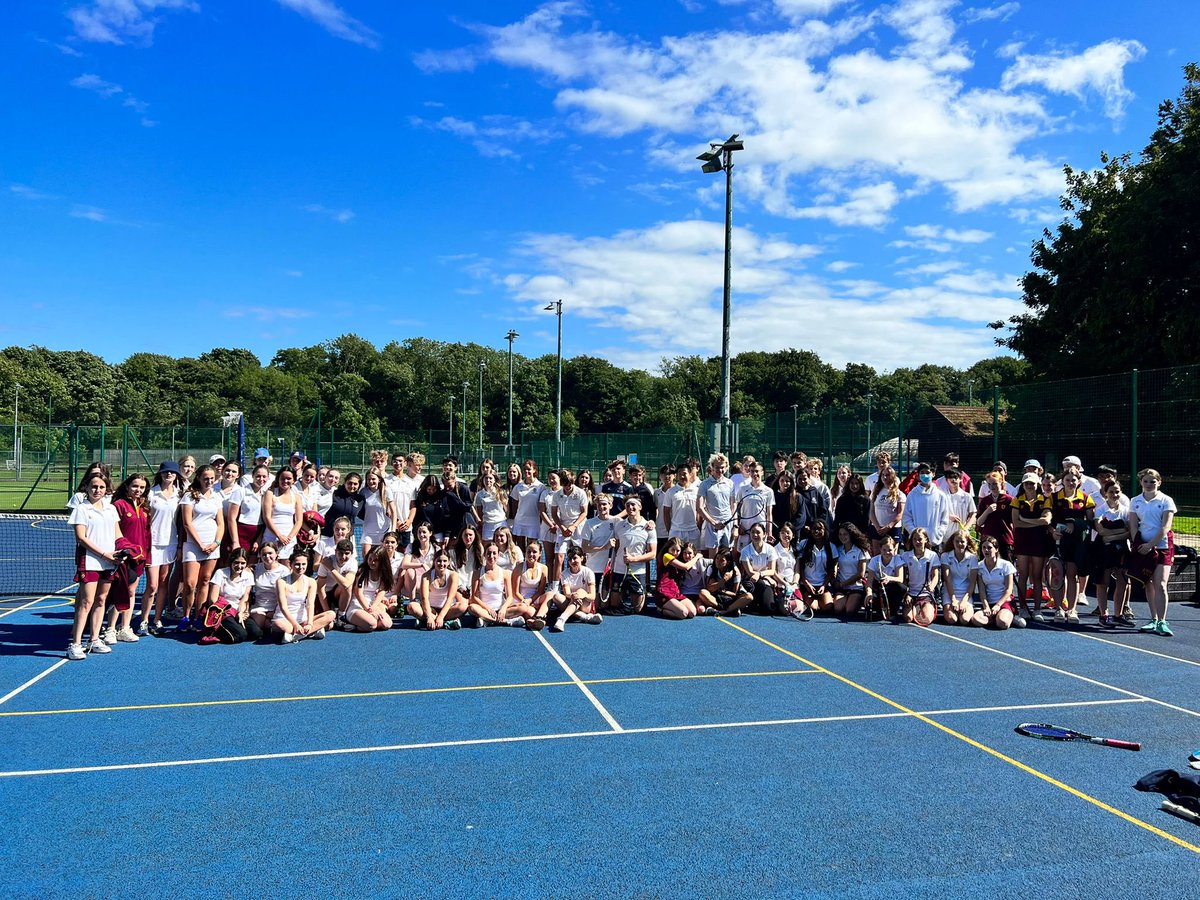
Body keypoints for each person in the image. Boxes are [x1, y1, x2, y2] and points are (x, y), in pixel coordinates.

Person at [66, 470, 122, 659]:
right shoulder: (81, 509)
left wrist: (125, 550)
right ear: (87, 488)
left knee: (101, 600)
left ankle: (95, 639)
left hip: (109, 562)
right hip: (89, 561)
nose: (97, 490)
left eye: (101, 487)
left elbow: (118, 535)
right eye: (94, 487)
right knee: (86, 601)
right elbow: (81, 538)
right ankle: (75, 643)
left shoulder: (111, 509)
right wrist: (104, 554)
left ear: (107, 490)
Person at [1128, 468, 1177, 636]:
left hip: (1162, 547)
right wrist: (1139, 544)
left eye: (1152, 481)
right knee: (1148, 583)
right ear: (1141, 482)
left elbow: (1166, 526)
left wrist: (1151, 544)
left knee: (1160, 584)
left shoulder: (1166, 500)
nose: (1149, 484)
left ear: (1159, 482)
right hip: (1142, 548)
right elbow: (1133, 525)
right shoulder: (1135, 501)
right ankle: (1153, 618)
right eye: (1146, 481)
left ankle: (1162, 621)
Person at [104, 473, 151, 644]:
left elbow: (146, 534)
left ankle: (124, 627)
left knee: (131, 592)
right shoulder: (119, 505)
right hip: (123, 556)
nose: (138, 490)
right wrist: (123, 551)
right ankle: (110, 628)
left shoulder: (145, 507)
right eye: (135, 486)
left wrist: (145, 554)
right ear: (127, 486)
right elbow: (114, 532)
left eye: (142, 487)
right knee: (119, 592)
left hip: (139, 557)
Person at [180, 464, 225, 632]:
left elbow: (221, 523)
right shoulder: (189, 496)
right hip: (193, 545)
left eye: (212, 478)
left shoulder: (217, 497)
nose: (209, 481)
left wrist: (215, 543)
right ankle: (186, 616)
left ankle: (199, 617)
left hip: (212, 546)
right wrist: (200, 544)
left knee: (205, 581)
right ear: (198, 477)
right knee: (190, 584)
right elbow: (187, 523)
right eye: (206, 478)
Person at [140, 460, 182, 636]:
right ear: (160, 473)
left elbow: (181, 522)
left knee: (164, 583)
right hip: (152, 544)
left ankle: (157, 620)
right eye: (165, 472)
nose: (169, 475)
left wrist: (179, 545)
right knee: (153, 585)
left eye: (172, 472)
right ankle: (143, 621)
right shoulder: (150, 494)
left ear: (176, 475)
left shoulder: (180, 495)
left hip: (171, 544)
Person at [1049, 469, 1096, 623]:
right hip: (1058, 541)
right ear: (1062, 481)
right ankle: (1059, 609)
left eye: (1073, 480)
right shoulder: (1053, 498)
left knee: (1072, 575)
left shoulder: (1086, 499)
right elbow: (1047, 521)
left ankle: (1072, 609)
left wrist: (1075, 523)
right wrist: (1052, 531)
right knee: (1058, 575)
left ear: (1079, 482)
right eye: (1067, 480)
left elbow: (1090, 523)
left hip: (1076, 543)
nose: (1070, 483)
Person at [1011, 473, 1052, 622]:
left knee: (1037, 576)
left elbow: (1046, 521)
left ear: (1038, 485)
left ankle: (1037, 609)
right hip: (1022, 542)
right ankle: (1023, 608)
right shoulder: (1017, 501)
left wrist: (1026, 519)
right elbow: (1016, 523)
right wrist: (1036, 521)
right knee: (1023, 575)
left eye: (1032, 483)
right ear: (1023, 485)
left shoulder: (1046, 500)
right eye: (1027, 483)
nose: (1029, 486)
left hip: (1039, 541)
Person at [606, 495, 656, 614]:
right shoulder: (619, 525)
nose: (630, 507)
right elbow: (617, 547)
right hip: (619, 570)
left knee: (638, 608)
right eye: (627, 505)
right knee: (614, 606)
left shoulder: (649, 527)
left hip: (638, 572)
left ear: (640, 507)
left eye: (633, 505)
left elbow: (652, 554)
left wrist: (633, 559)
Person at [1092, 480, 1131, 628]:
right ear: (1106, 493)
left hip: (1121, 551)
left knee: (1122, 582)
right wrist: (1121, 532)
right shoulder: (1100, 510)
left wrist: (1112, 536)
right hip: (1103, 551)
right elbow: (1101, 531)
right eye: (1111, 492)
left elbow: (1130, 533)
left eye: (1117, 492)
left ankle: (1118, 615)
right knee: (1103, 582)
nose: (1114, 495)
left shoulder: (1126, 511)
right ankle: (1104, 615)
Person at [272, 551, 335, 643]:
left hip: (303, 620)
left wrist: (309, 623)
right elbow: (283, 607)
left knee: (331, 614)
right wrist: (296, 625)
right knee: (278, 625)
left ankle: (296, 636)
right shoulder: (281, 582)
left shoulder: (311, 582)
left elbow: (310, 605)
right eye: (297, 564)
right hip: (284, 619)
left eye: (303, 564)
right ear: (290, 564)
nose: (301, 567)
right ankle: (311, 632)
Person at [202, 548, 257, 643]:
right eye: (236, 562)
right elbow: (213, 600)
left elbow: (245, 598)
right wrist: (230, 613)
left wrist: (241, 612)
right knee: (241, 636)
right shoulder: (220, 573)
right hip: (222, 611)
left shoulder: (248, 575)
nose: (239, 566)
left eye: (243, 563)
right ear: (231, 561)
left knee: (256, 633)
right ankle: (215, 631)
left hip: (238, 609)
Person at [546, 546, 602, 631]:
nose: (572, 561)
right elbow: (567, 593)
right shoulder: (564, 574)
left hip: (585, 605)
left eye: (575, 558)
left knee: (580, 591)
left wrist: (582, 595)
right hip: (571, 601)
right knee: (556, 596)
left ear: (582, 558)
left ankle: (562, 619)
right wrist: (573, 596)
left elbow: (592, 596)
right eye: (570, 559)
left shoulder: (589, 572)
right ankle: (586, 617)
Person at [409, 548, 466, 630]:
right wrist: (429, 617)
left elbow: (450, 598)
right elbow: (424, 598)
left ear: (449, 562)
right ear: (434, 561)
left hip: (447, 610)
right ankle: (445, 622)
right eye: (439, 561)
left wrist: (441, 616)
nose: (442, 564)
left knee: (463, 606)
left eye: (445, 561)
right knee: (411, 606)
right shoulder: (426, 576)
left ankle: (428, 622)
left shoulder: (453, 575)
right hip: (430, 609)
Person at [551, 469, 590, 586]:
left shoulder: (581, 493)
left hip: (578, 528)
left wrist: (574, 526)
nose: (568, 487)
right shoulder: (557, 495)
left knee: (580, 557)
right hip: (563, 529)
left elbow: (584, 512)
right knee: (559, 557)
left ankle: (582, 584)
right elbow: (554, 514)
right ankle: (555, 587)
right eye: (565, 485)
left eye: (569, 484)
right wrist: (562, 527)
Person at [469, 542, 520, 627]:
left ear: (498, 555)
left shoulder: (505, 573)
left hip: (502, 611)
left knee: (522, 608)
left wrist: (503, 609)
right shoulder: (477, 573)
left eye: (494, 553)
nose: (491, 556)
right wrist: (488, 609)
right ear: (484, 555)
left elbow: (510, 597)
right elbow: (474, 597)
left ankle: (486, 620)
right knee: (472, 608)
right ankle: (506, 622)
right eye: (488, 553)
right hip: (484, 610)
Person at [971, 536, 1016, 630]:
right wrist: (986, 607)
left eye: (989, 547)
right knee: (975, 620)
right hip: (989, 603)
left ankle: (1007, 616)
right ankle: (994, 618)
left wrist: (998, 605)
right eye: (983, 547)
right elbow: (982, 590)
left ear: (996, 549)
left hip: (1004, 602)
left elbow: (1009, 590)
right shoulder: (979, 566)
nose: (986, 550)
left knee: (1003, 623)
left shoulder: (1006, 565)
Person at [901, 462, 950, 548]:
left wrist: (938, 533)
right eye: (922, 473)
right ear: (918, 475)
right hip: (916, 541)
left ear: (933, 474)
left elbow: (944, 518)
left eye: (927, 472)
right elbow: (907, 517)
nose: (925, 475)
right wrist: (914, 532)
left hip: (934, 540)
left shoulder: (940, 495)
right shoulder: (912, 495)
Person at [897, 528, 940, 626]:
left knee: (926, 619)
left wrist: (932, 586)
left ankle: (923, 606)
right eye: (914, 539)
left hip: (925, 594)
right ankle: (912, 606)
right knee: (908, 618)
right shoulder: (905, 556)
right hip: (910, 594)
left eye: (920, 539)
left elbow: (935, 576)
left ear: (926, 540)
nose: (917, 542)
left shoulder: (933, 555)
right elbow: (903, 579)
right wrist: (906, 594)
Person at [228, 464, 269, 564]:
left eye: (264, 476)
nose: (261, 479)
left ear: (268, 478)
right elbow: (231, 518)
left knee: (252, 566)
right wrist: (235, 541)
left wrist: (259, 539)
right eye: (258, 476)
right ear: (253, 476)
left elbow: (265, 520)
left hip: (257, 534)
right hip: (241, 533)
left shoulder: (266, 494)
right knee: (237, 564)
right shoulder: (240, 492)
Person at [347, 546, 395, 633]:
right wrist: (368, 610)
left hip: (371, 605)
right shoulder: (362, 572)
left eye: (376, 560)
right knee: (372, 624)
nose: (372, 562)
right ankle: (354, 625)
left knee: (386, 624)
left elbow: (381, 592)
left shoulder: (383, 574)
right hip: (357, 605)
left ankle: (363, 623)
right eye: (370, 559)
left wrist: (373, 608)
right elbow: (358, 594)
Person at [697, 453, 734, 559]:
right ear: (712, 467)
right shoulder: (705, 484)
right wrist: (713, 523)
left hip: (728, 524)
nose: (720, 470)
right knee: (713, 559)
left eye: (722, 467)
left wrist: (734, 525)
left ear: (726, 468)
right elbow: (699, 508)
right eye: (717, 467)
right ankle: (712, 576)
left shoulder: (730, 483)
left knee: (727, 557)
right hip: (712, 526)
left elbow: (733, 505)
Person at [248, 541, 288, 637]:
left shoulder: (284, 571)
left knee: (277, 627)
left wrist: (274, 611)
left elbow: (286, 596)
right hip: (259, 608)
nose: (267, 556)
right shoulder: (255, 568)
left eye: (270, 553)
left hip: (277, 608)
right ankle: (268, 625)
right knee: (255, 629)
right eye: (264, 554)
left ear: (276, 553)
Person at [940, 529, 979, 626]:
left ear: (967, 543)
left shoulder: (973, 558)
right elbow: (947, 580)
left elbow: (972, 583)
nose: (959, 544)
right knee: (952, 619)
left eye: (962, 541)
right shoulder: (945, 556)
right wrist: (953, 600)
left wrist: (964, 601)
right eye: (957, 541)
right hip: (950, 592)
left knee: (964, 620)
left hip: (966, 593)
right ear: (952, 542)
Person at [830, 523, 870, 617]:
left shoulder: (861, 551)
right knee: (838, 609)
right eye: (840, 534)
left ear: (851, 535)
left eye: (845, 534)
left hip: (856, 587)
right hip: (842, 588)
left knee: (849, 611)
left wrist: (843, 583)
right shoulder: (838, 549)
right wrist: (835, 581)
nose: (842, 537)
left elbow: (861, 574)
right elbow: (834, 566)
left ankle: (858, 601)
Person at [261, 466, 301, 560]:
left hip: (289, 539)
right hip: (271, 537)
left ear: (294, 480)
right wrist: (279, 536)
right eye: (282, 478)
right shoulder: (270, 494)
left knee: (287, 570)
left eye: (289, 478)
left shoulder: (297, 497)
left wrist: (288, 538)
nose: (285, 481)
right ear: (278, 479)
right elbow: (267, 517)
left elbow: (299, 521)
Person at [864, 534, 905, 622]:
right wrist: (869, 593)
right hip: (878, 587)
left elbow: (900, 578)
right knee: (868, 596)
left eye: (890, 550)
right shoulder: (874, 560)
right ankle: (878, 609)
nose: (887, 552)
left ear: (894, 550)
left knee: (901, 588)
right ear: (880, 549)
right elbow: (869, 581)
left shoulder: (898, 559)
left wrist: (889, 578)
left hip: (892, 587)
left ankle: (894, 611)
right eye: (884, 550)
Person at [740, 523, 779, 614]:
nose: (755, 535)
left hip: (765, 581)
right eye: (752, 532)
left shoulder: (770, 549)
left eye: (758, 532)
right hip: (751, 582)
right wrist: (766, 576)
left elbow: (772, 570)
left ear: (764, 534)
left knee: (769, 608)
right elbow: (750, 573)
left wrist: (760, 574)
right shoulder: (745, 551)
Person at [734, 462, 774, 550]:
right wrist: (738, 526)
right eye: (752, 471)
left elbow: (769, 514)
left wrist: (769, 532)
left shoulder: (768, 491)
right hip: (744, 530)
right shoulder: (743, 489)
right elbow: (736, 510)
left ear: (762, 472)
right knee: (742, 555)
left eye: (757, 471)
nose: (755, 474)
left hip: (760, 531)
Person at [975, 470, 1014, 561]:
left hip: (1004, 540)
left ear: (1001, 482)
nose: (992, 487)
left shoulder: (1009, 500)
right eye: (989, 484)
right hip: (987, 540)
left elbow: (1014, 521)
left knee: (1006, 567)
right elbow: (979, 522)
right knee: (985, 567)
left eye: (994, 483)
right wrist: (987, 511)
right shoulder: (985, 501)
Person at [797, 519, 834, 614]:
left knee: (828, 607)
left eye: (819, 529)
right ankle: (813, 601)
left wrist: (824, 585)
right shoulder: (804, 544)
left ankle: (822, 600)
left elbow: (831, 570)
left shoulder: (831, 546)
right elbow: (799, 566)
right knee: (813, 608)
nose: (816, 531)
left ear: (825, 530)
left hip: (822, 584)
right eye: (814, 529)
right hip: (807, 584)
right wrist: (806, 583)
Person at [511, 540, 549, 630]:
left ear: (540, 554)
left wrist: (531, 601)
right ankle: (537, 618)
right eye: (529, 551)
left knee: (551, 595)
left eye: (534, 552)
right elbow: (515, 592)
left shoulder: (544, 568)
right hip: (521, 599)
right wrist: (526, 602)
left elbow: (540, 591)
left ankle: (538, 617)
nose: (531, 554)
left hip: (535, 599)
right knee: (530, 612)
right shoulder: (519, 567)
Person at [700, 546, 749, 617]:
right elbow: (710, 588)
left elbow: (734, 593)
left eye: (722, 560)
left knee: (749, 597)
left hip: (731, 598)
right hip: (716, 598)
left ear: (728, 562)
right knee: (703, 593)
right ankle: (729, 609)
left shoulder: (736, 572)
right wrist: (723, 580)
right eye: (717, 558)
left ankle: (726, 611)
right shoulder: (711, 568)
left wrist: (722, 591)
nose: (718, 562)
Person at [316, 538, 358, 617]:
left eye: (347, 553)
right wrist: (327, 612)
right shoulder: (327, 561)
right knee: (327, 624)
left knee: (348, 587)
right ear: (335, 552)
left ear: (352, 554)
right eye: (340, 553)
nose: (343, 557)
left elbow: (346, 584)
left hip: (337, 592)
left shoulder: (353, 563)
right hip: (323, 593)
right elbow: (320, 588)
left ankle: (341, 615)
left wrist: (331, 568)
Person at [359, 467, 397, 553]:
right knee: (366, 557)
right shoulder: (363, 492)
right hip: (368, 531)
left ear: (379, 479)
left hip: (383, 531)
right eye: (368, 479)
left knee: (382, 558)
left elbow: (394, 511)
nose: (371, 481)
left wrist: (393, 530)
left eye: (373, 479)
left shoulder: (386, 491)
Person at [868, 466, 905, 555]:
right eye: (883, 475)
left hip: (893, 528)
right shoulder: (875, 491)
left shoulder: (899, 494)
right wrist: (877, 527)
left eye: (887, 475)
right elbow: (871, 511)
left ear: (892, 476)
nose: (884, 477)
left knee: (891, 554)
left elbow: (900, 514)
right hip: (877, 527)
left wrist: (888, 527)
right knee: (876, 553)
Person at [665, 459, 701, 545]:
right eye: (679, 474)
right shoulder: (670, 492)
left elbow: (700, 511)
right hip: (676, 531)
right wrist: (670, 530)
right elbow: (666, 512)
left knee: (693, 557)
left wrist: (698, 527)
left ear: (690, 474)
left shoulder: (697, 491)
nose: (682, 477)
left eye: (684, 474)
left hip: (693, 532)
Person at [398, 522, 437, 601]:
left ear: (430, 533)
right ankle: (412, 599)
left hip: (429, 580)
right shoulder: (411, 546)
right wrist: (422, 565)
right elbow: (404, 564)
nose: (421, 535)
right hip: (413, 582)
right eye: (419, 532)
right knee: (409, 571)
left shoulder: (436, 549)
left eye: (424, 532)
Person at [511, 459, 543, 549]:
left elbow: (542, 507)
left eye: (529, 469)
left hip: (534, 522)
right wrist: (516, 517)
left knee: (533, 548)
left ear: (534, 470)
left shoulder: (541, 487)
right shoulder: (518, 487)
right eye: (524, 469)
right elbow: (514, 505)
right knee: (520, 548)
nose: (526, 471)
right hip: (520, 521)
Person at [471, 469, 508, 540]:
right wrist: (480, 523)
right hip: (487, 525)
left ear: (494, 480)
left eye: (490, 478)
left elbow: (506, 509)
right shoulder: (479, 494)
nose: (488, 480)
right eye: (486, 478)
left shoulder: (501, 492)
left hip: (500, 523)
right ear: (483, 480)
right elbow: (479, 511)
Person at [833, 472, 871, 537]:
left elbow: (867, 520)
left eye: (857, 483)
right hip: (844, 533)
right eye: (852, 483)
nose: (854, 486)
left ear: (861, 485)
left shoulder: (866, 500)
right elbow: (837, 518)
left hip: (860, 533)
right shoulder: (842, 499)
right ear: (848, 484)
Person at [654, 465, 676, 545]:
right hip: (660, 532)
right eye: (664, 474)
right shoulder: (656, 493)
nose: (667, 476)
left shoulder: (678, 492)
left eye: (670, 474)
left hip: (675, 530)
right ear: (660, 476)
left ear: (674, 475)